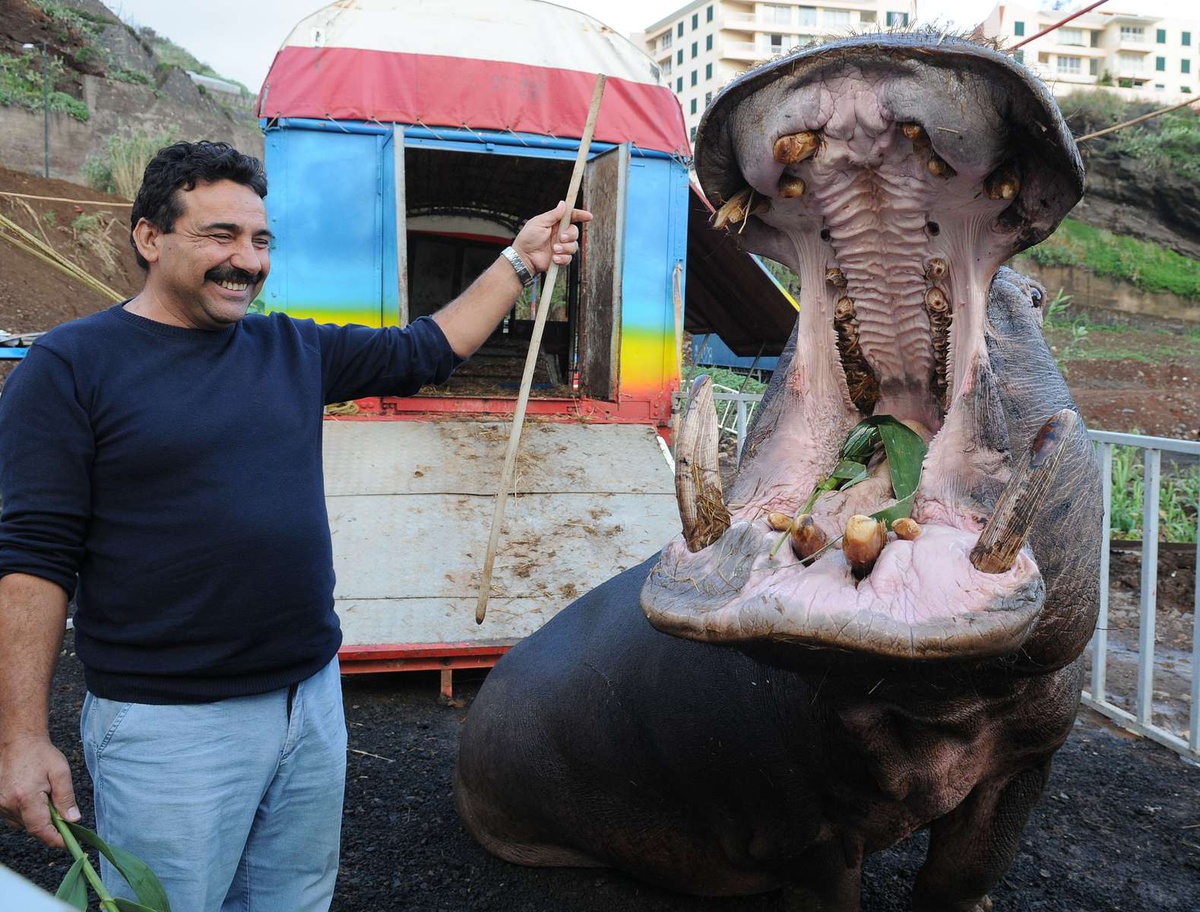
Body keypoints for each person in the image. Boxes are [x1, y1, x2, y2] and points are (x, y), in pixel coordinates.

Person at [0, 140, 590, 911]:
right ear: (149, 237)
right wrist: (21, 736)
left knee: (293, 901)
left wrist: (519, 259)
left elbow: (426, 349)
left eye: (260, 240)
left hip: (308, 703)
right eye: (220, 236)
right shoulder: (72, 366)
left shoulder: (290, 347)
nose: (247, 260)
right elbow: (31, 557)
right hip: (170, 725)